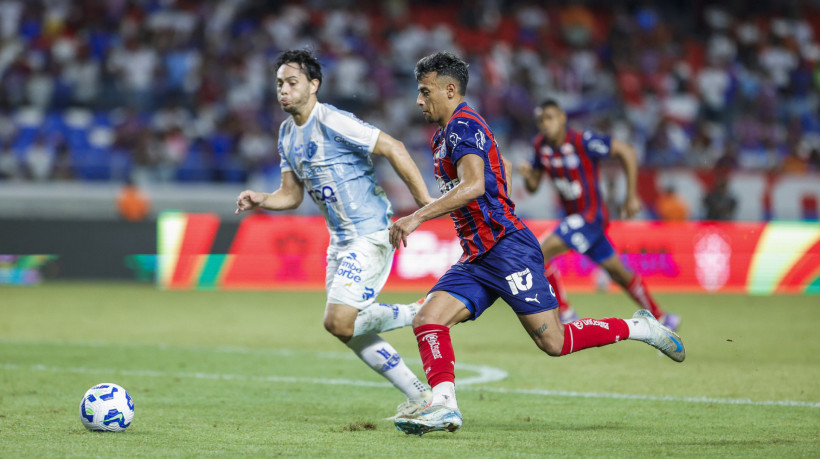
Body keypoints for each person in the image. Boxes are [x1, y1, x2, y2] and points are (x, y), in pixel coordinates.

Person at [389, 51, 685, 436]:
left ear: (449, 89)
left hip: (508, 250)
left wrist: (418, 216)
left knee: (554, 342)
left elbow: (475, 183)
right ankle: (444, 406)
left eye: (425, 92)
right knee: (428, 318)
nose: (418, 100)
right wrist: (498, 204)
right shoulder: (447, 134)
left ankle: (641, 328)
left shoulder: (462, 126)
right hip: (479, 256)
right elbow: (504, 168)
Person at [234, 49, 435, 419]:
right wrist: (261, 198)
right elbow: (292, 196)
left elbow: (394, 146)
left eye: (292, 82)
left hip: (371, 233)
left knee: (337, 320)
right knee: (346, 329)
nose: (284, 90)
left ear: (314, 85)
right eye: (279, 83)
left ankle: (419, 312)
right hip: (340, 241)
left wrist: (424, 205)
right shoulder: (286, 134)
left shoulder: (332, 121)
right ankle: (421, 397)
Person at [518, 100, 681, 330]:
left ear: (563, 118)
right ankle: (662, 318)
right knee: (619, 273)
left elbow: (627, 151)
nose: (545, 124)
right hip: (576, 220)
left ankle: (566, 313)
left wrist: (631, 195)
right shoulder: (539, 146)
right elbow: (534, 185)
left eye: (550, 118)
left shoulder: (582, 141)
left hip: (590, 216)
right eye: (541, 120)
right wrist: (527, 175)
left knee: (537, 253)